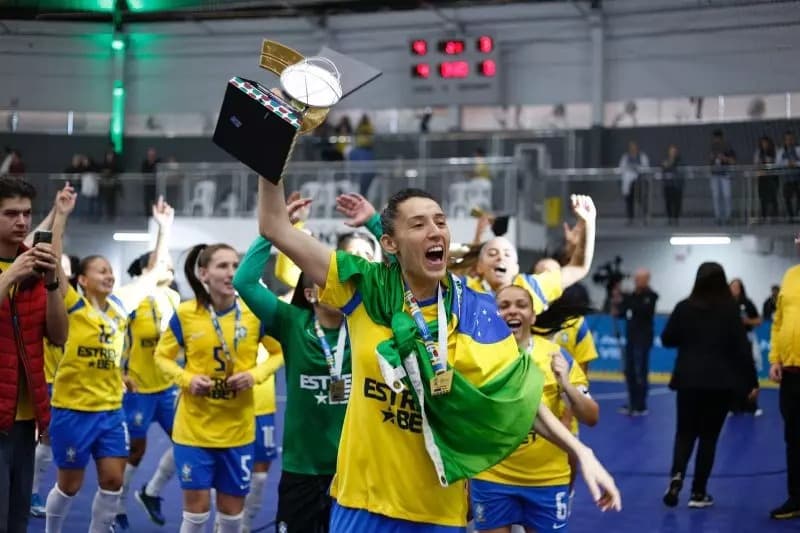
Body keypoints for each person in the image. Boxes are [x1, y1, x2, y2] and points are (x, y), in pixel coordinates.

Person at [257, 177, 620, 531]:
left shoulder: (478, 310)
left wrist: (580, 451)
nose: (435, 230)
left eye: (441, 221)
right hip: (363, 504)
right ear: (390, 243)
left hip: (438, 510)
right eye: (418, 224)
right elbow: (275, 226)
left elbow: (520, 401)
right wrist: (275, 138)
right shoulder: (367, 287)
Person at [234, 200, 378, 532]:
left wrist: (373, 224)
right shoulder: (290, 322)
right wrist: (272, 231)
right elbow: (244, 282)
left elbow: (404, 278)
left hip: (356, 469)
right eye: (327, 277)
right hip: (302, 470)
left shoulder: (369, 323)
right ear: (310, 293)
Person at [44, 200, 172, 533]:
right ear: (82, 280)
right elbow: (55, 266)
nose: (109, 275)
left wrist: (163, 228)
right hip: (72, 410)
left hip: (111, 411)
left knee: (113, 480)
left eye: (110, 271)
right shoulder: (71, 304)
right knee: (69, 485)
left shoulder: (119, 305)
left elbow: (153, 274)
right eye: (101, 270)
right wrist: (61, 216)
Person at [154, 243, 282, 533]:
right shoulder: (186, 314)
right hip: (193, 432)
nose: (231, 273)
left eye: (235, 266)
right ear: (204, 273)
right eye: (223, 266)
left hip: (237, 433)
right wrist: (187, 379)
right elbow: (161, 357)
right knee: (196, 514)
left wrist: (254, 375)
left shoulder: (253, 314)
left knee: (230, 515)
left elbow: (279, 353)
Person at [470, 285, 599, 533]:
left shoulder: (555, 356)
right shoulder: (476, 356)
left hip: (547, 479)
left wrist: (566, 385)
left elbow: (591, 416)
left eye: (521, 305)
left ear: (532, 315)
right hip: (492, 476)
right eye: (503, 306)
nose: (512, 311)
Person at [0, 177, 68, 533]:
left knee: (17, 520)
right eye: (11, 213)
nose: (22, 222)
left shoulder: (34, 266)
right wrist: (10, 275)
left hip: (26, 418)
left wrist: (53, 281)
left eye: (27, 213)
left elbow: (59, 336)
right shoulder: (16, 269)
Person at [660, 262, 758, 509]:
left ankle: (676, 477)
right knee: (708, 438)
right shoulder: (730, 310)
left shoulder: (684, 307)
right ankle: (698, 493)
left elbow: (667, 338)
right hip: (720, 384)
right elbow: (742, 350)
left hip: (688, 382)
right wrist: (751, 383)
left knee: (684, 433)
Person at [115, 202, 179, 530]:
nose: (168, 266)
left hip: (167, 388)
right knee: (135, 451)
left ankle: (151, 492)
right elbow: (112, 339)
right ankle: (116, 507)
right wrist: (120, 373)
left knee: (186, 440)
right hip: (138, 388)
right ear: (148, 269)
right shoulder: (131, 298)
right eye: (163, 262)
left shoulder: (172, 299)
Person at [768, 251, 800, 520]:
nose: (797, 241)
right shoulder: (790, 275)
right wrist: (775, 358)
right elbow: (778, 322)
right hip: (790, 373)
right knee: (793, 438)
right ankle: (796, 497)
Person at [615, 268, 658, 415]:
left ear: (647, 280)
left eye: (640, 278)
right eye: (636, 278)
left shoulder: (651, 296)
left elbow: (643, 310)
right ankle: (632, 402)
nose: (636, 281)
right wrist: (617, 301)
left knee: (641, 371)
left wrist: (627, 300)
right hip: (631, 339)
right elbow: (621, 312)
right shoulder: (631, 296)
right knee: (630, 371)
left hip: (643, 339)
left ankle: (641, 404)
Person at [729, 278, 763, 416]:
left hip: (746, 340)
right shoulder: (725, 303)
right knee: (732, 374)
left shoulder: (747, 303)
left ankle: (752, 406)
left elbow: (759, 320)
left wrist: (747, 321)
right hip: (730, 342)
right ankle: (733, 406)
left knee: (749, 373)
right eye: (732, 286)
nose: (735, 289)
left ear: (741, 288)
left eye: (737, 286)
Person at [618, 141, 650, 225]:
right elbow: (621, 168)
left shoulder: (642, 156)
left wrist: (637, 169)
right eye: (631, 147)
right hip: (629, 184)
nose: (632, 149)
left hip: (640, 182)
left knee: (641, 200)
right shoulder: (625, 157)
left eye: (634, 147)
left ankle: (645, 217)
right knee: (629, 201)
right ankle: (630, 218)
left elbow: (646, 168)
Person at [709, 129, 736, 225]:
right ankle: (718, 217)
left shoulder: (728, 147)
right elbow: (710, 161)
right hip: (715, 175)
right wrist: (712, 158)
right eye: (715, 139)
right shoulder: (712, 147)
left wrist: (724, 158)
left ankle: (728, 217)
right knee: (716, 197)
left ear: (721, 138)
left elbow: (733, 161)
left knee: (727, 196)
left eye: (718, 139)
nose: (716, 141)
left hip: (725, 174)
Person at [754, 135, 779, 222]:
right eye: (762, 143)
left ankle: (775, 217)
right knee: (762, 197)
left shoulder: (774, 151)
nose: (764, 145)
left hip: (772, 177)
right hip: (762, 178)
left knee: (773, 197)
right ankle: (764, 216)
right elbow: (756, 164)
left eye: (766, 143)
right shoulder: (759, 152)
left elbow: (777, 163)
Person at [777, 131, 800, 222]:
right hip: (787, 179)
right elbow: (778, 163)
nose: (789, 141)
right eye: (787, 139)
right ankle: (791, 216)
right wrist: (787, 163)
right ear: (784, 141)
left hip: (798, 178)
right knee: (787, 197)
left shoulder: (798, 149)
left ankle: (797, 214)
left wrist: (796, 163)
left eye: (791, 139)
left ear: (794, 140)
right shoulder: (781, 151)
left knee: (799, 197)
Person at [661, 144, 683, 225]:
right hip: (668, 185)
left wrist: (671, 164)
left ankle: (676, 218)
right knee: (668, 202)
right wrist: (668, 164)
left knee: (677, 202)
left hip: (677, 185)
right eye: (671, 151)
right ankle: (670, 218)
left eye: (674, 151)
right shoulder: (666, 160)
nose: (672, 153)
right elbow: (663, 167)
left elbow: (679, 169)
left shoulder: (679, 160)